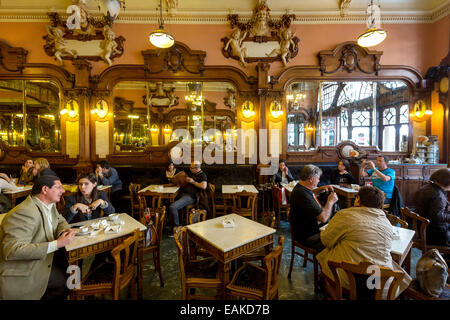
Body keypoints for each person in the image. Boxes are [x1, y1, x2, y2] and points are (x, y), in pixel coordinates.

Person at [317, 185, 411, 298]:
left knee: (325, 258)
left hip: (348, 278)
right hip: (381, 284)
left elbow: (326, 240)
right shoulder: (386, 222)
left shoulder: (345, 215)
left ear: (358, 200)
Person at [0, 175, 77, 300]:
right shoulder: (24, 212)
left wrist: (65, 231)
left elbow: (60, 220)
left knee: (73, 274)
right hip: (24, 271)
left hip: (42, 261)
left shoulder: (48, 205)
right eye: (58, 187)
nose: (63, 191)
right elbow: (12, 250)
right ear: (45, 189)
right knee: (69, 281)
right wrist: (57, 244)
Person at [289, 164, 338, 251]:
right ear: (311, 179)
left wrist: (320, 189)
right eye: (318, 178)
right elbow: (323, 218)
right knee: (339, 241)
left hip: (305, 230)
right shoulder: (302, 194)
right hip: (308, 236)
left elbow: (309, 192)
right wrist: (330, 202)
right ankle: (328, 263)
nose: (319, 181)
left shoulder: (299, 188)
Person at [414, 168, 450, 247]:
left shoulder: (426, 187)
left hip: (422, 227)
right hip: (433, 233)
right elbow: (437, 217)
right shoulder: (438, 195)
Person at [168, 161, 207, 227]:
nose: (190, 169)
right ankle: (171, 223)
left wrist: (193, 182)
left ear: (197, 168)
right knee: (167, 202)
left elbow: (204, 186)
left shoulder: (202, 175)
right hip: (184, 193)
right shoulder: (192, 172)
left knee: (173, 207)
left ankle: (176, 228)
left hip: (191, 196)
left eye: (191, 168)